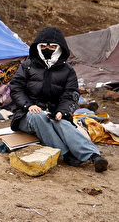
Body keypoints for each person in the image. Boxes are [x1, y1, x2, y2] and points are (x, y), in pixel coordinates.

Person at [9, 27, 108, 172]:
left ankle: (94, 156)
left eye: (52, 46)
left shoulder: (67, 71)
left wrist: (63, 111)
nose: (47, 49)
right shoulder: (27, 66)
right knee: (39, 115)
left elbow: (71, 95)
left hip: (52, 113)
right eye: (43, 46)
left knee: (61, 121)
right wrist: (28, 106)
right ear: (37, 46)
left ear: (60, 48)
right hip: (27, 115)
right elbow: (16, 88)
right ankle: (66, 154)